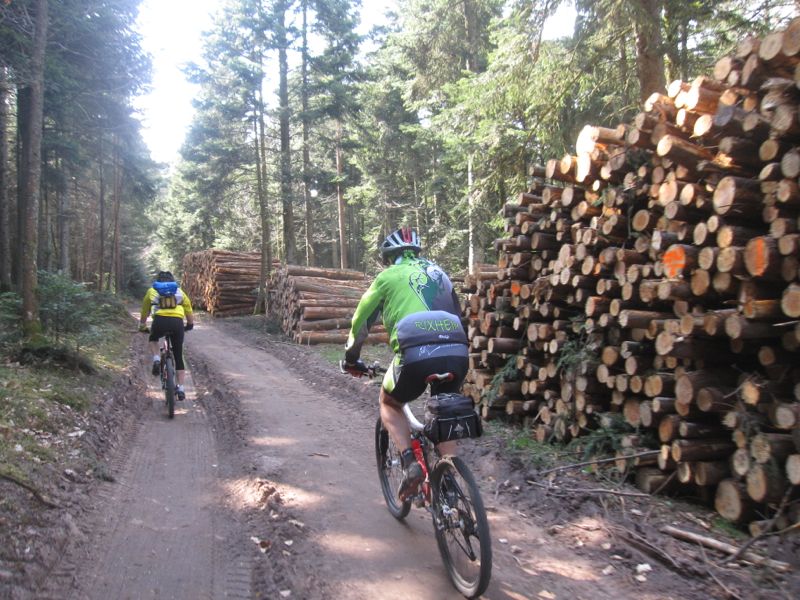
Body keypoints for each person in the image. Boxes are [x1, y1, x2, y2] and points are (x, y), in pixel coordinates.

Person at [342, 227, 469, 500]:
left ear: (390, 257)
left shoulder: (387, 277)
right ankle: (450, 480)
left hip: (415, 355)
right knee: (445, 406)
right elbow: (460, 314)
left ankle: (411, 463)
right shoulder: (440, 274)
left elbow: (360, 321)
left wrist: (351, 359)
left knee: (389, 402)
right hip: (457, 350)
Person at [139, 271, 194, 401]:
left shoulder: (152, 291)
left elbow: (144, 311)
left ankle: (157, 358)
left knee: (153, 339)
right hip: (177, 323)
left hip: (159, 322)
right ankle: (180, 388)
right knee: (178, 355)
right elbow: (188, 309)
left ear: (158, 281)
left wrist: (142, 325)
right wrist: (190, 324)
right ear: (172, 281)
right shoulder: (179, 292)